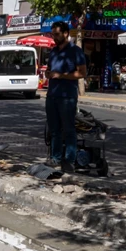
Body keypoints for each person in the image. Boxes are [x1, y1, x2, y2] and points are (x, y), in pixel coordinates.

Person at [45, 21, 87, 173]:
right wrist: (48, 73)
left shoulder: (76, 51)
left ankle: (69, 160)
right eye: (52, 34)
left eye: (56, 34)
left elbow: (82, 73)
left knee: (68, 129)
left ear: (65, 34)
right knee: (54, 129)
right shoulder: (54, 51)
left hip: (67, 96)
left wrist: (61, 75)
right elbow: (50, 69)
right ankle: (55, 158)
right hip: (52, 95)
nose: (54, 37)